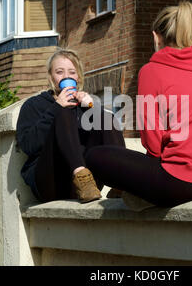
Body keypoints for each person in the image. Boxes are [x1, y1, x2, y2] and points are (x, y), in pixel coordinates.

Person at [83, 1, 192, 208]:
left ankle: (141, 195)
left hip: (187, 184)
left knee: (96, 156)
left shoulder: (152, 70)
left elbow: (153, 144)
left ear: (156, 37)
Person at [16, 48, 125, 203]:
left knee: (106, 117)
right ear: (51, 77)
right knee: (63, 112)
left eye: (72, 72)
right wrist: (56, 108)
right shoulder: (34, 105)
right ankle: (81, 175)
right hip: (50, 181)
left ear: (78, 78)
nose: (66, 76)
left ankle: (120, 183)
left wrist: (92, 107)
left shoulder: (84, 105)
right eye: (59, 72)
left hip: (88, 188)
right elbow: (28, 145)